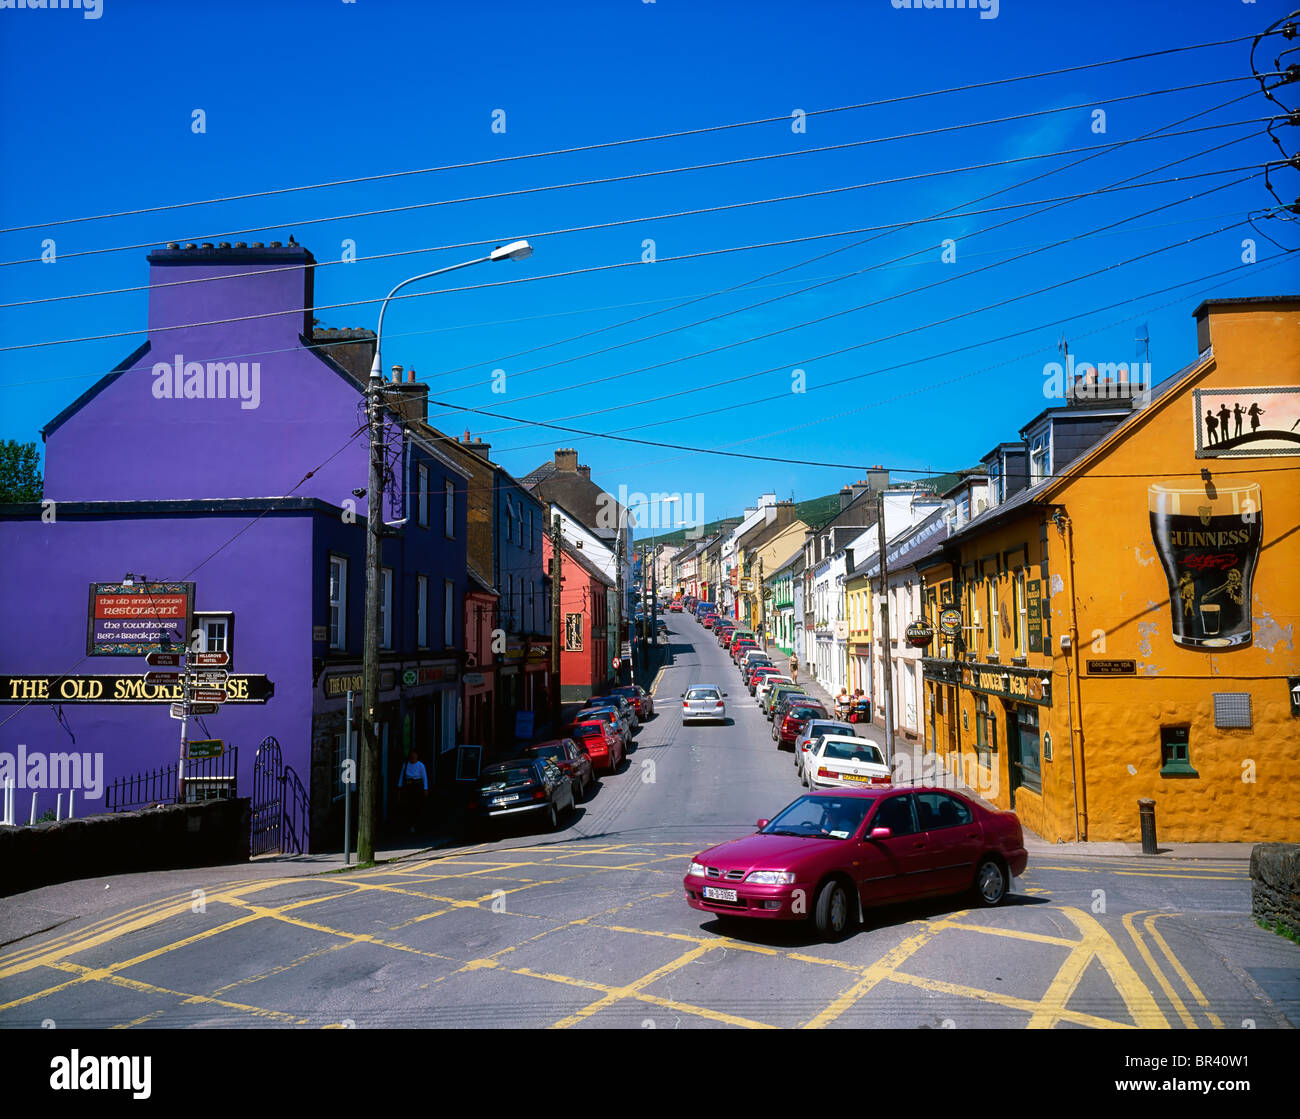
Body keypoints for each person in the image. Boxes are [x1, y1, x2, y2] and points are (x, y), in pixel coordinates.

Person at [397, 748, 429, 834]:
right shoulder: (406, 764)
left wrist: (425, 789)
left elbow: (424, 777)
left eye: (414, 754)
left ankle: (416, 825)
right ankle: (410, 825)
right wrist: (399, 787)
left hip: (417, 786)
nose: (412, 756)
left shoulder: (420, 765)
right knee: (408, 806)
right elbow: (401, 775)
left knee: (417, 805)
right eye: (411, 754)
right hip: (408, 786)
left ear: (417, 756)